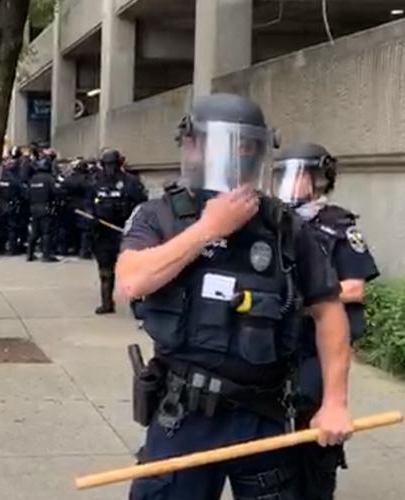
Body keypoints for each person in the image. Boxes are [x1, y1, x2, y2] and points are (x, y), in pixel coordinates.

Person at [118, 94, 353, 499]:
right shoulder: (160, 215)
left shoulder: (285, 227)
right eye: (227, 144)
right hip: (184, 414)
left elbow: (329, 313)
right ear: (190, 145)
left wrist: (335, 402)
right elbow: (131, 282)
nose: (238, 156)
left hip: (263, 414)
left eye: (249, 147)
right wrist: (209, 229)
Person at [272, 142, 380, 498]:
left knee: (315, 428)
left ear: (319, 179)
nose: (290, 183)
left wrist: (305, 298)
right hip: (277, 342)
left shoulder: (338, 226)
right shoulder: (273, 222)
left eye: (299, 175)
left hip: (317, 347)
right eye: (284, 175)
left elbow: (353, 287)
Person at [89, 149, 147, 314]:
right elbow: (88, 202)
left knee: (132, 270)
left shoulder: (131, 182)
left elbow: (142, 206)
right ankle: (107, 303)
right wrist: (92, 218)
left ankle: (137, 303)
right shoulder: (96, 182)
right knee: (105, 271)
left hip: (125, 232)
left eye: (113, 164)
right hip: (103, 232)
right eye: (107, 165)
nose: (110, 169)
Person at [26, 158, 61, 262]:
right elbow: (56, 192)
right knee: (47, 232)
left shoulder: (32, 179)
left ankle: (30, 254)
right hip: (46, 207)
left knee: (35, 232)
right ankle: (46, 255)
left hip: (33, 208)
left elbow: (27, 195)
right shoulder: (49, 179)